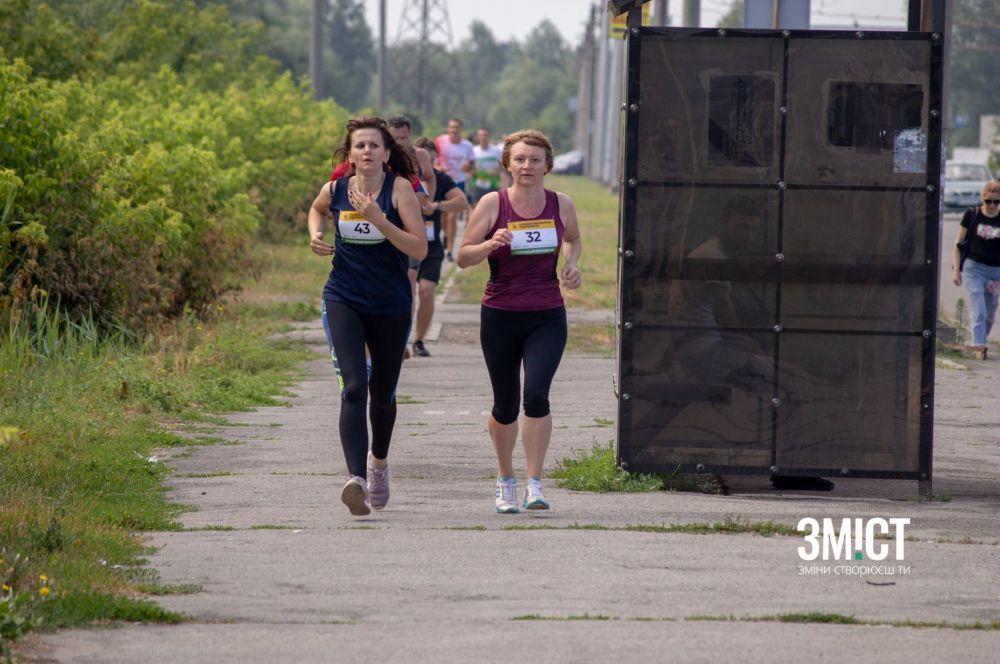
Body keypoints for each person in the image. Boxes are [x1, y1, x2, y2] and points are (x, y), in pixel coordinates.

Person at [457, 129, 582, 513]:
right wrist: (489, 244)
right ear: (507, 164)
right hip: (500, 316)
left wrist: (571, 265)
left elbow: (573, 240)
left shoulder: (561, 204)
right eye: (520, 159)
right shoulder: (493, 204)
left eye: (535, 160)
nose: (527, 166)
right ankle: (504, 478)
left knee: (538, 396)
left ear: (548, 165)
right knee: (506, 403)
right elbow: (463, 257)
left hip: (546, 315)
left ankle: (534, 482)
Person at [308, 116, 428, 516]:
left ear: (387, 153)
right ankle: (355, 479)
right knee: (353, 386)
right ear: (350, 153)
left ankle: (378, 463)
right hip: (343, 297)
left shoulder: (400, 191)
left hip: (391, 304)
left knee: (383, 393)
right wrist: (316, 234)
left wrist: (379, 218)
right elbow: (317, 208)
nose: (367, 152)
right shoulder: (336, 189)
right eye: (359, 146)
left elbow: (419, 248)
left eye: (374, 146)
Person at [410, 137, 470, 357]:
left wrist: (436, 205)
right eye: (422, 161)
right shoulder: (401, 179)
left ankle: (418, 339)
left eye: (432, 160)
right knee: (407, 294)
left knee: (426, 291)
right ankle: (399, 340)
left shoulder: (441, 178)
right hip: (405, 244)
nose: (427, 166)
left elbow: (462, 202)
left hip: (432, 244)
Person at [951, 181, 1000, 358]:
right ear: (983, 199)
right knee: (978, 310)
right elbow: (957, 244)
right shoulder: (972, 215)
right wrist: (956, 270)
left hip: (996, 271)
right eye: (988, 201)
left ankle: (981, 342)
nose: (992, 206)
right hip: (974, 268)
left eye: (996, 202)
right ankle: (979, 347)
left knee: (990, 314)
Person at [435, 117, 476, 262]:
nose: (454, 130)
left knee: (452, 215)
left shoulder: (467, 145)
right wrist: (438, 168)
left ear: (461, 129)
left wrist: (468, 167)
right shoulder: (440, 141)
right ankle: (447, 236)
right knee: (442, 217)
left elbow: (472, 165)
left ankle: (450, 250)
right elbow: (432, 159)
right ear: (448, 128)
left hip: (457, 183)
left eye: (457, 127)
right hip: (441, 181)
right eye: (452, 127)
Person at [472, 128, 502, 205]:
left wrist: (496, 171)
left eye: (485, 135)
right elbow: (469, 167)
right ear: (477, 137)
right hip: (477, 183)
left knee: (492, 206)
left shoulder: (496, 150)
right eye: (481, 135)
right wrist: (473, 169)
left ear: (488, 136)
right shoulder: (473, 150)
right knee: (476, 206)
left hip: (493, 183)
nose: (483, 137)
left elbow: (503, 166)